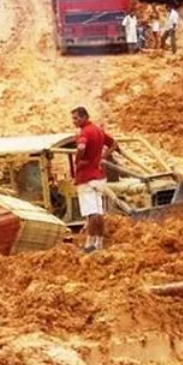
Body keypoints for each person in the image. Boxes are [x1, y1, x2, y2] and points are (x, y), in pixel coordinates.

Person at [71, 106, 115, 254]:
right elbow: (114, 143)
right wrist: (103, 156)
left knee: (91, 212)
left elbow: (81, 147)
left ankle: (90, 242)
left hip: (86, 177)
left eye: (76, 118)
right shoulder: (98, 131)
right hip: (99, 176)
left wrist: (78, 160)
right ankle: (99, 241)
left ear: (84, 117)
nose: (74, 121)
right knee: (98, 211)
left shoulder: (85, 132)